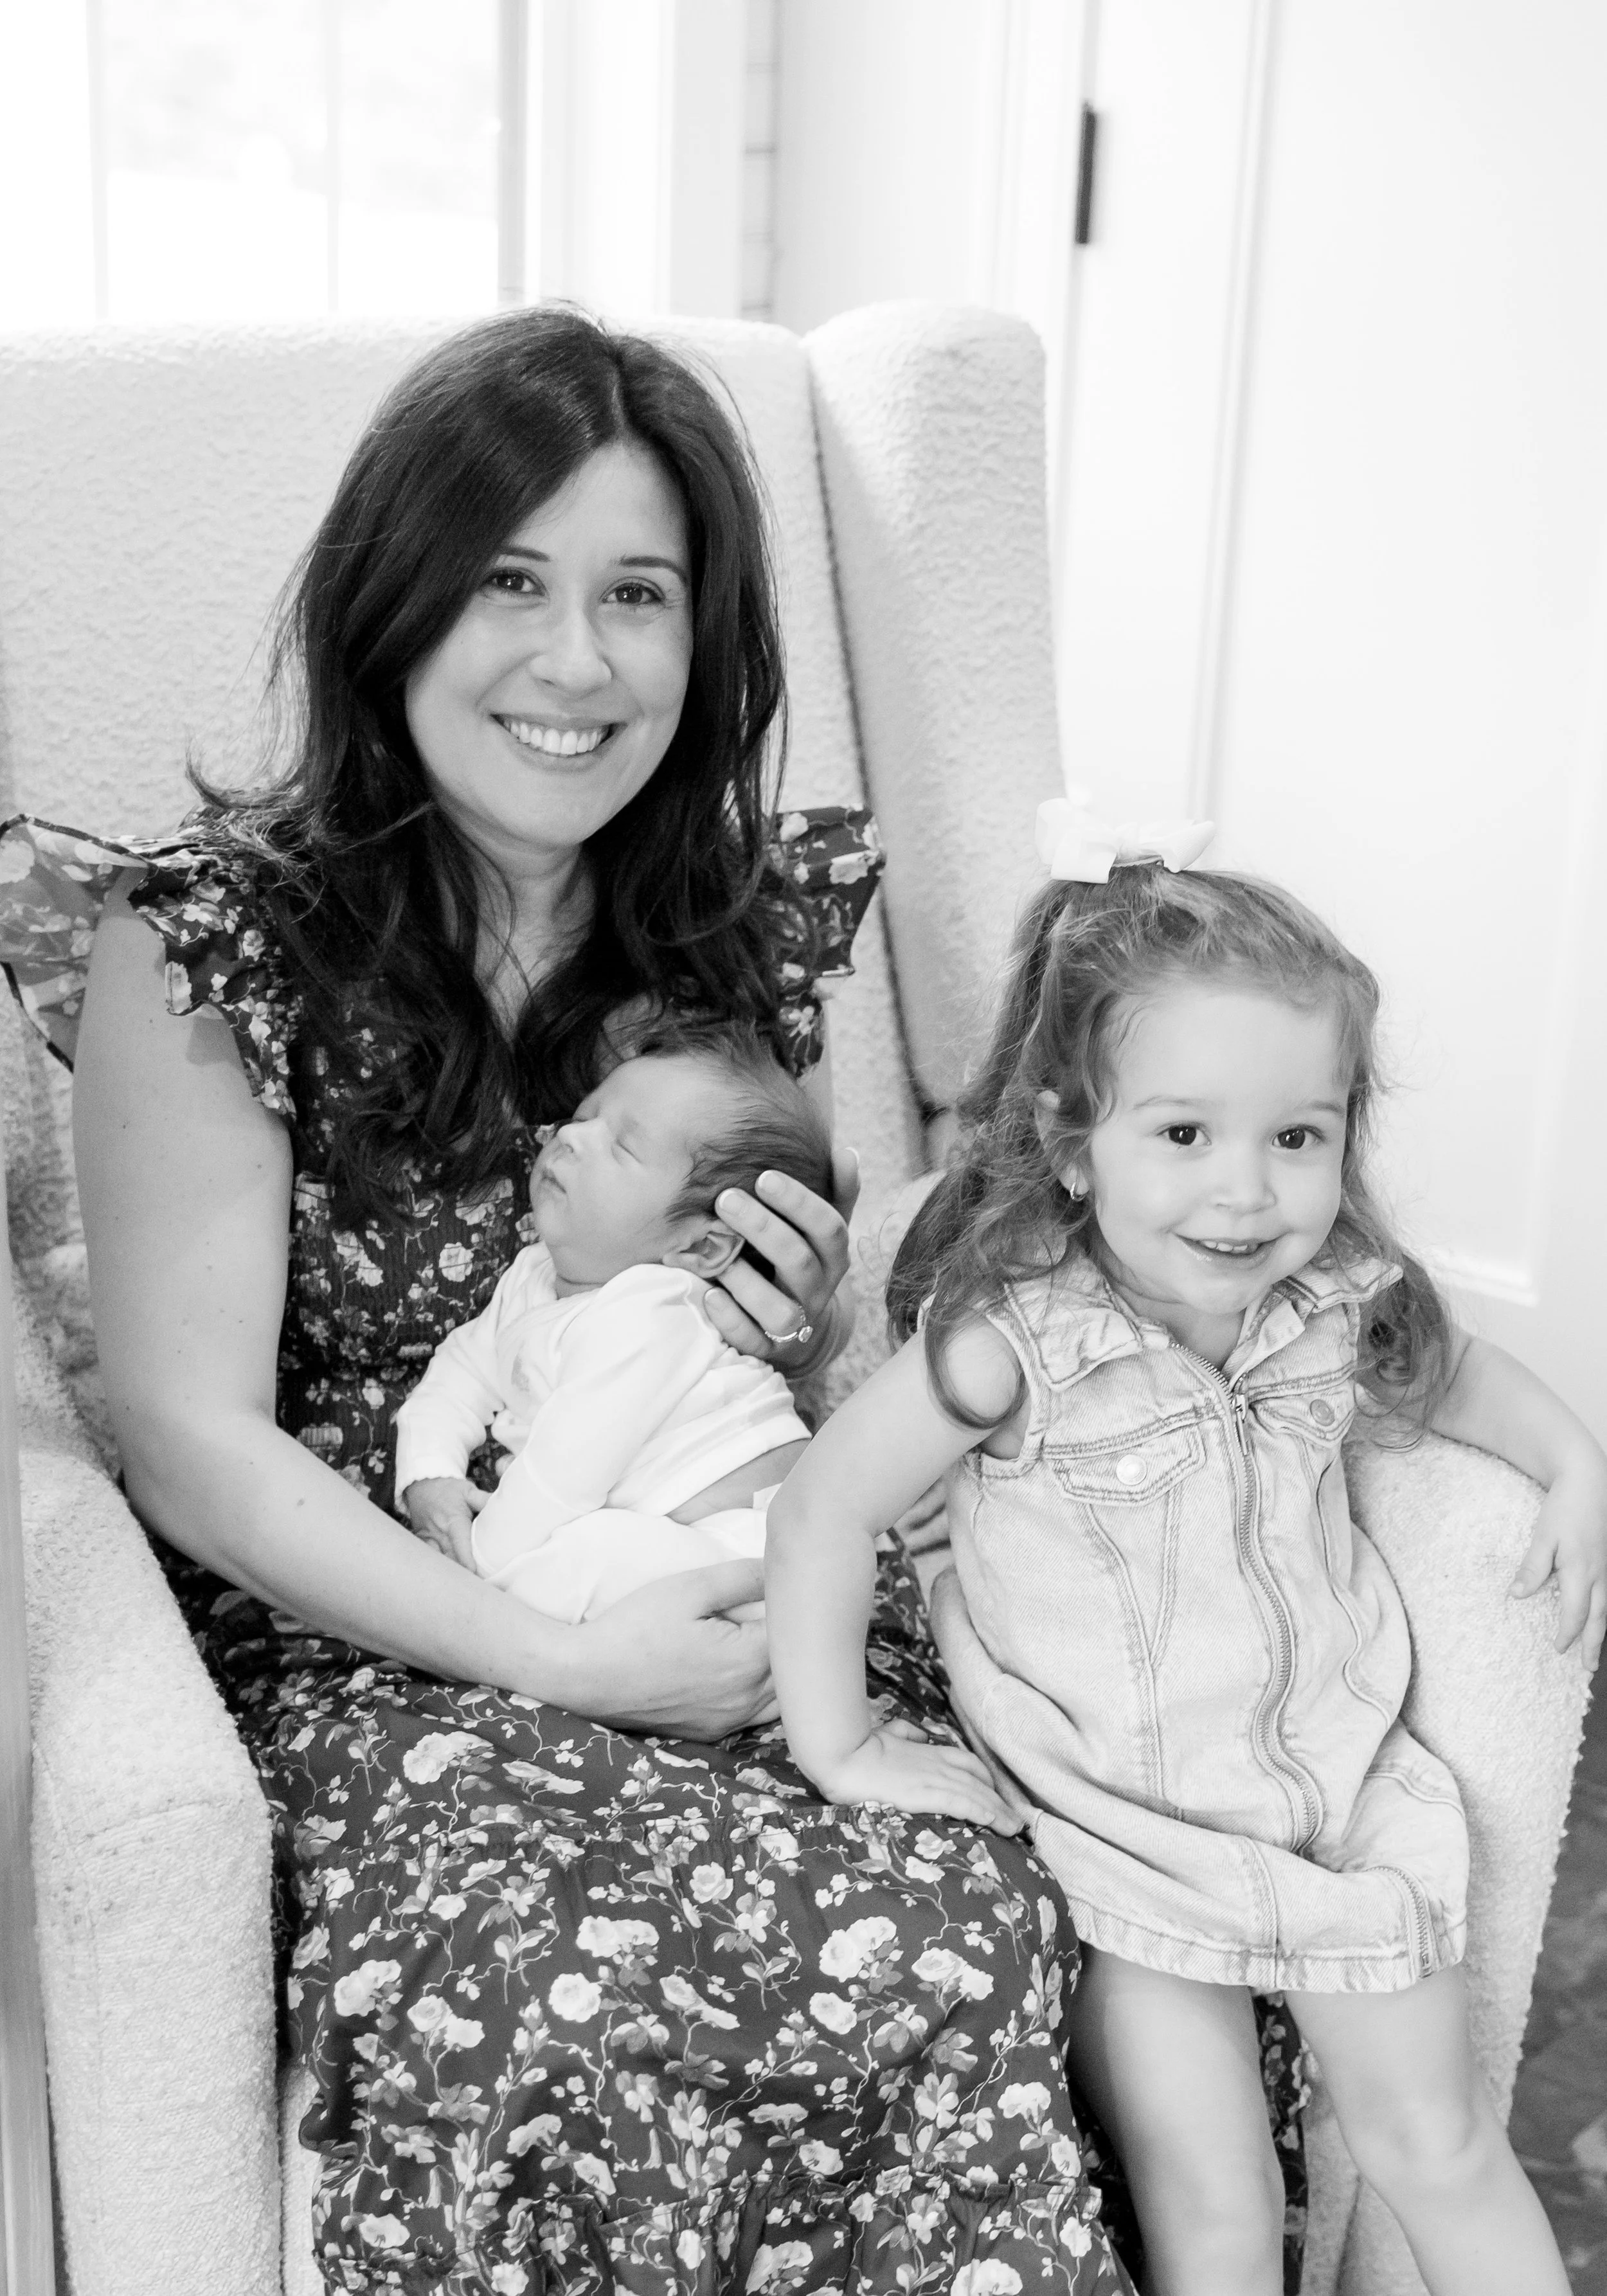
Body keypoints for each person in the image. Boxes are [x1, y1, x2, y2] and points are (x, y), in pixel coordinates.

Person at [0, 311, 1317, 2292]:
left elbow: (768, 1360)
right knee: (548, 1978)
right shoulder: (212, 942)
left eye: (638, 594)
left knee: (984, 1890)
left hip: (730, 1582)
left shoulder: (720, 911)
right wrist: (560, 1659)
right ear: (393, 605)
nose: (575, 658)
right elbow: (192, 1441)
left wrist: (787, 1336)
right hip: (392, 1620)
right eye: (509, 581)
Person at [766, 802, 1607, 2296]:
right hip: (1125, 1834)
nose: (1245, 1189)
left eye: (1298, 1136)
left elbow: (1461, 1376)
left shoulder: (1337, 1293)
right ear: (1070, 1145)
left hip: (1339, 1799)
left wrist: (1573, 1461)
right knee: (1215, 2210)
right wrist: (838, 1741)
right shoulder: (1011, 1342)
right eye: (1181, 1134)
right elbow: (823, 1502)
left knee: (1443, 2148)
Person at [395, 1028, 829, 1620]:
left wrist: (472, 1563)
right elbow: (463, 1369)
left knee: (584, 1555)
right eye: (584, 1114)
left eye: (622, 1147)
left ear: (703, 1248)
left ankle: (453, 1614)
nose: (571, 1135)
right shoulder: (534, 1275)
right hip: (667, 1547)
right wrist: (429, 1474)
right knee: (583, 1555)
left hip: (755, 1551)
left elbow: (562, 1475)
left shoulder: (654, 1315)